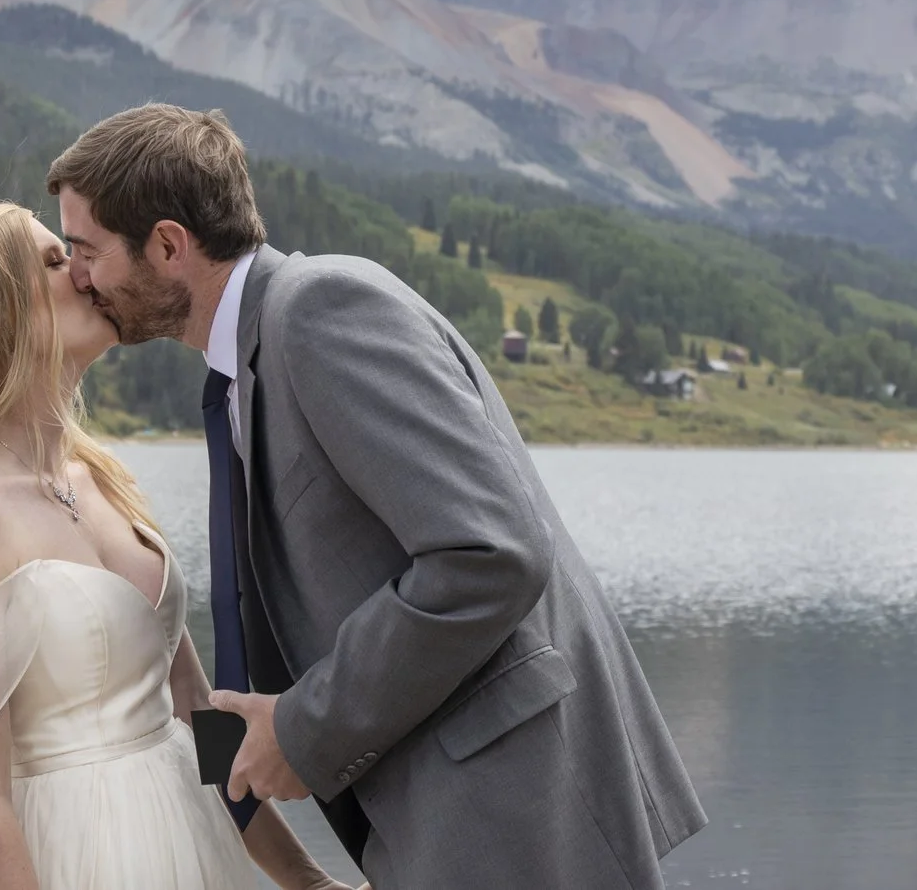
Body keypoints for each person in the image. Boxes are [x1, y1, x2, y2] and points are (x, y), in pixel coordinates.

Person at [50, 105, 707, 890]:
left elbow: (491, 551)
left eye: (87, 251)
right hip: (445, 817)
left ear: (167, 244)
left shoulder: (320, 310)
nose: (81, 276)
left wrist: (303, 728)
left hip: (513, 813)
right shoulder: (244, 366)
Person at [0, 201, 357, 890]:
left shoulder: (98, 476)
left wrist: (306, 880)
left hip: (195, 853)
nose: (89, 274)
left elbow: (191, 714)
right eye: (55, 261)